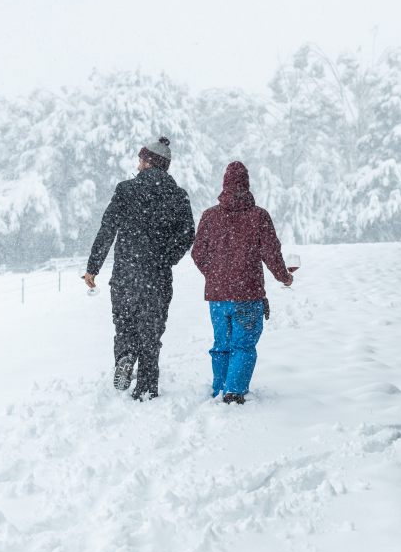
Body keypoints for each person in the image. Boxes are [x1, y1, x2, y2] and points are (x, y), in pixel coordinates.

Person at [83, 137, 195, 401]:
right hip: (157, 277)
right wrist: (167, 257)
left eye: (140, 159)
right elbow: (188, 233)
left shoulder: (125, 190)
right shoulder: (178, 195)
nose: (138, 163)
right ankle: (146, 385)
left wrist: (93, 267)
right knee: (151, 331)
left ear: (148, 162)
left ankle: (124, 354)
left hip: (126, 274)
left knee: (124, 324)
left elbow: (107, 229)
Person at [191, 161, 292, 404]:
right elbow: (271, 253)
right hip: (248, 295)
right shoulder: (259, 216)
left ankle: (219, 389)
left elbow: (197, 253)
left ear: (224, 184)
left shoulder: (209, 216)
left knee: (221, 344)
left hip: (217, 297)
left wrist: (216, 275)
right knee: (243, 345)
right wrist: (284, 277)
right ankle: (234, 391)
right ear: (246, 185)